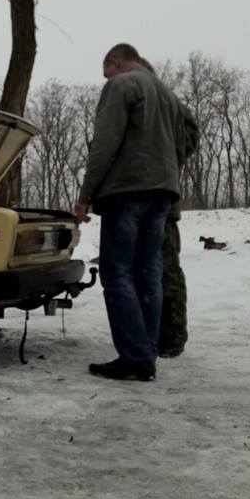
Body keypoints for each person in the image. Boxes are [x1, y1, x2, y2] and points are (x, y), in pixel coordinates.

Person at [74, 43, 187, 381]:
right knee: (149, 271)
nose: (106, 79)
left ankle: (135, 358)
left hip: (127, 191)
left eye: (106, 72)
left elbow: (104, 144)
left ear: (116, 63)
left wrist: (85, 196)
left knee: (117, 271)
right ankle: (146, 351)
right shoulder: (167, 93)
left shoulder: (122, 85)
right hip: (163, 192)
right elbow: (181, 146)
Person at [136, 57, 201, 358]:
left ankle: (172, 336)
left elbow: (189, 136)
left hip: (161, 202)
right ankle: (152, 333)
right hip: (140, 200)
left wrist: (165, 160)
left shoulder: (168, 101)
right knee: (147, 271)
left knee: (165, 269)